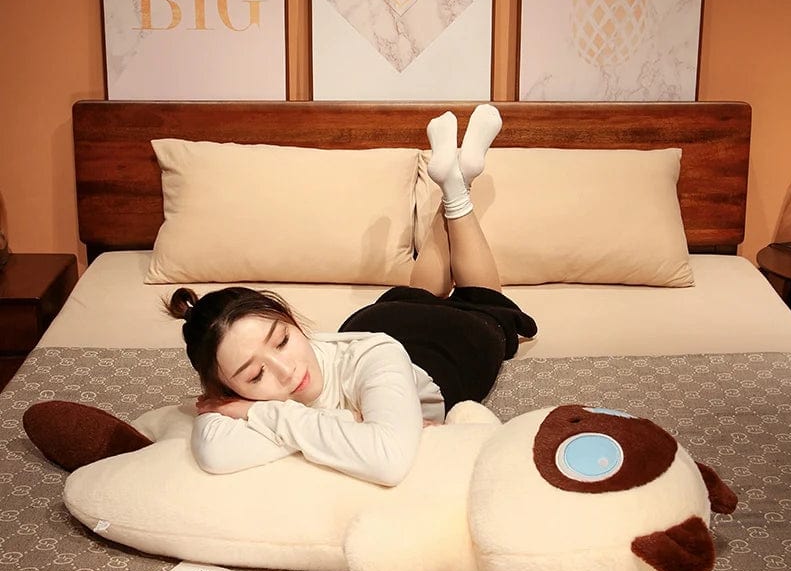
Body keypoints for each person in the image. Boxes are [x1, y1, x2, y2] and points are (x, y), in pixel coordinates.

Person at [24, 105, 536, 487]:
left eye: (282, 340)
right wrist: (343, 423)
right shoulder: (235, 401)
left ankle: (457, 190)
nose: (288, 371)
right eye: (254, 376)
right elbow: (216, 452)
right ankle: (451, 179)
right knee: (414, 293)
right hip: (378, 319)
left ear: (291, 319)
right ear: (227, 389)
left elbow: (387, 460)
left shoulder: (370, 357)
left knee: (482, 302)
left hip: (438, 349)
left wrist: (265, 415)